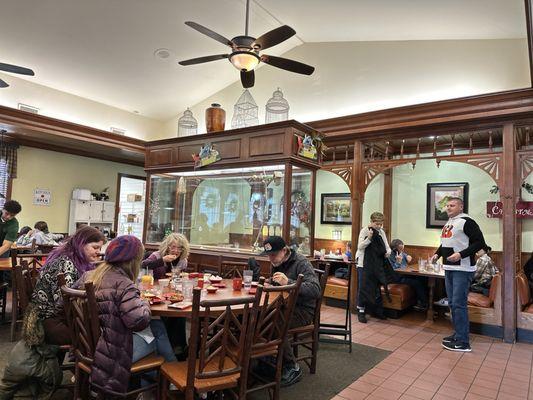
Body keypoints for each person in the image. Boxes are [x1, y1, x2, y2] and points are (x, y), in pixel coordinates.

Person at [78, 235, 176, 394]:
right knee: (156, 335)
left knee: (157, 326)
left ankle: (157, 381)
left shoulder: (89, 275)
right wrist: (144, 301)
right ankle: (170, 379)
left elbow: (64, 306)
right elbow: (138, 322)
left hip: (86, 345)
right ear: (133, 261)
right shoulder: (124, 284)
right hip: (111, 354)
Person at [29, 225, 105, 345]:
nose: (98, 252)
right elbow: (66, 303)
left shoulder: (70, 258)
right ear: (81, 244)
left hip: (53, 318)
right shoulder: (65, 263)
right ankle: (91, 361)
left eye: (100, 248)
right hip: (48, 324)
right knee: (102, 334)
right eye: (95, 247)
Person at [260, 236, 320, 387]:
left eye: (273, 255)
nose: (270, 259)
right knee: (258, 318)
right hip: (283, 307)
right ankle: (269, 358)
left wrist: (289, 282)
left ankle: (292, 366)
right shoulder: (277, 262)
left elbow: (315, 289)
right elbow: (278, 285)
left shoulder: (301, 262)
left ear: (285, 250)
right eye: (268, 255)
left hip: (303, 310)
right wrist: (270, 281)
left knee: (274, 323)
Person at [431, 197, 486, 352]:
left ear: (461, 207)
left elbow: (479, 243)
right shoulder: (450, 222)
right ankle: (457, 334)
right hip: (449, 267)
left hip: (462, 269)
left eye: (452, 205)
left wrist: (461, 255)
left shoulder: (467, 222)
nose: (448, 208)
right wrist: (437, 254)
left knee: (459, 304)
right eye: (447, 205)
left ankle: (463, 342)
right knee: (452, 303)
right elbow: (446, 243)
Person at [141, 232, 189, 358]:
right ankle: (169, 348)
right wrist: (162, 260)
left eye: (179, 248)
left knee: (180, 314)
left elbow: (180, 279)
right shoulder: (157, 255)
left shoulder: (183, 261)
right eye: (173, 247)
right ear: (167, 246)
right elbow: (142, 265)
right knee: (169, 316)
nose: (176, 250)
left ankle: (178, 347)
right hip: (153, 293)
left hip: (172, 294)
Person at [355, 212, 391, 323]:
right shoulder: (364, 231)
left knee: (376, 287)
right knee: (363, 287)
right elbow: (360, 247)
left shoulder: (381, 232)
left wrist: (388, 253)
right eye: (377, 224)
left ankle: (376, 310)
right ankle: (361, 311)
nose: (379, 226)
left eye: (381, 224)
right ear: (371, 222)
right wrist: (369, 238)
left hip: (375, 264)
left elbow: (387, 247)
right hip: (363, 263)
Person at [388, 239, 428, 312]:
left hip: (405, 275)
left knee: (423, 278)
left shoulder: (401, 253)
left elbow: (405, 255)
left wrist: (408, 256)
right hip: (396, 278)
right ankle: (425, 304)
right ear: (394, 249)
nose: (401, 251)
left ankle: (422, 302)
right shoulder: (389, 256)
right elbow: (393, 270)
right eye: (400, 249)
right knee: (416, 283)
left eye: (402, 248)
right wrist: (398, 262)